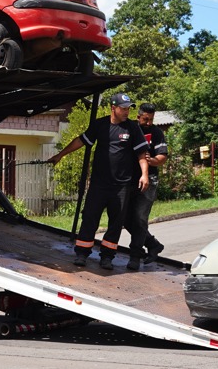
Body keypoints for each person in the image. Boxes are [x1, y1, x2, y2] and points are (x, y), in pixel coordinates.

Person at [48, 93, 150, 270]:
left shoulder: (132, 128)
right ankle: (82, 254)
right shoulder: (100, 125)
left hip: (121, 186)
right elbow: (80, 141)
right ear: (113, 108)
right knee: (89, 218)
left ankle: (107, 257)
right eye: (123, 108)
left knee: (116, 223)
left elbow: (142, 154)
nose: (126, 112)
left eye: (128, 109)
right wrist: (60, 155)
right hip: (99, 184)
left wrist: (144, 174)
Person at [133, 102, 169, 263]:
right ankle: (152, 244)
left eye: (151, 120)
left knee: (140, 217)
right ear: (138, 117)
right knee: (126, 217)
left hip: (150, 180)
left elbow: (162, 157)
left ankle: (136, 251)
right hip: (129, 179)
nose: (148, 123)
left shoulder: (156, 132)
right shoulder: (131, 128)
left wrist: (151, 160)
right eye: (145, 119)